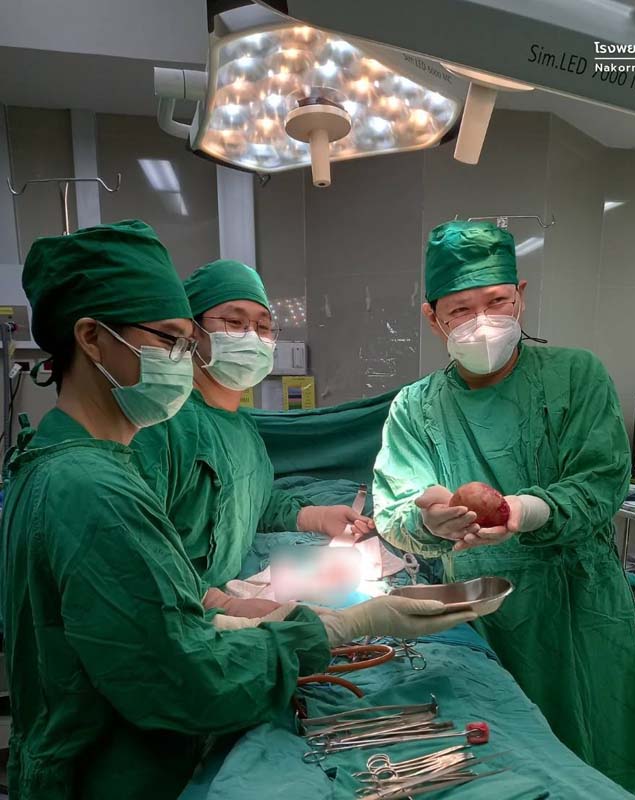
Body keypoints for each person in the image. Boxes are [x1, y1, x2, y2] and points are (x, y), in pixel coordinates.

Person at [0, 220, 475, 800]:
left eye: (186, 342)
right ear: (92, 339)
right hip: (111, 772)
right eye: (171, 339)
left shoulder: (68, 462)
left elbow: (144, 617)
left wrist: (261, 592)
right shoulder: (92, 488)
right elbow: (184, 680)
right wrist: (344, 626)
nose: (184, 360)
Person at [372, 220, 635, 800]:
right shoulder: (415, 406)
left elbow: (602, 481)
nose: (482, 321)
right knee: (492, 767)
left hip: (579, 608)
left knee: (597, 757)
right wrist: (426, 520)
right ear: (432, 318)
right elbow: (394, 506)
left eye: (497, 301)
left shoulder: (577, 375)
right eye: (460, 310)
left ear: (521, 297)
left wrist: (526, 510)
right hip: (478, 614)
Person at [131, 259, 373, 612]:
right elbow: (136, 545)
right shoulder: (164, 425)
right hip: (174, 611)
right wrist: (219, 604)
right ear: (192, 331)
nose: (252, 337)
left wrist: (317, 517)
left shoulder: (242, 429)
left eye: (263, 327)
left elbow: (249, 501)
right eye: (235, 322)